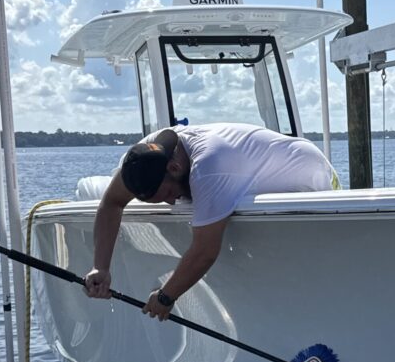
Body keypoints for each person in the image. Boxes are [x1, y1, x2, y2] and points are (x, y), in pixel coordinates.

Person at [83, 122, 336, 320]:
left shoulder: (211, 166)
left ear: (173, 168)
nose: (172, 203)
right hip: (248, 174)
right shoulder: (145, 157)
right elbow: (112, 203)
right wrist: (101, 267)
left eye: (169, 195)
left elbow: (205, 251)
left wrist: (166, 297)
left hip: (308, 175)